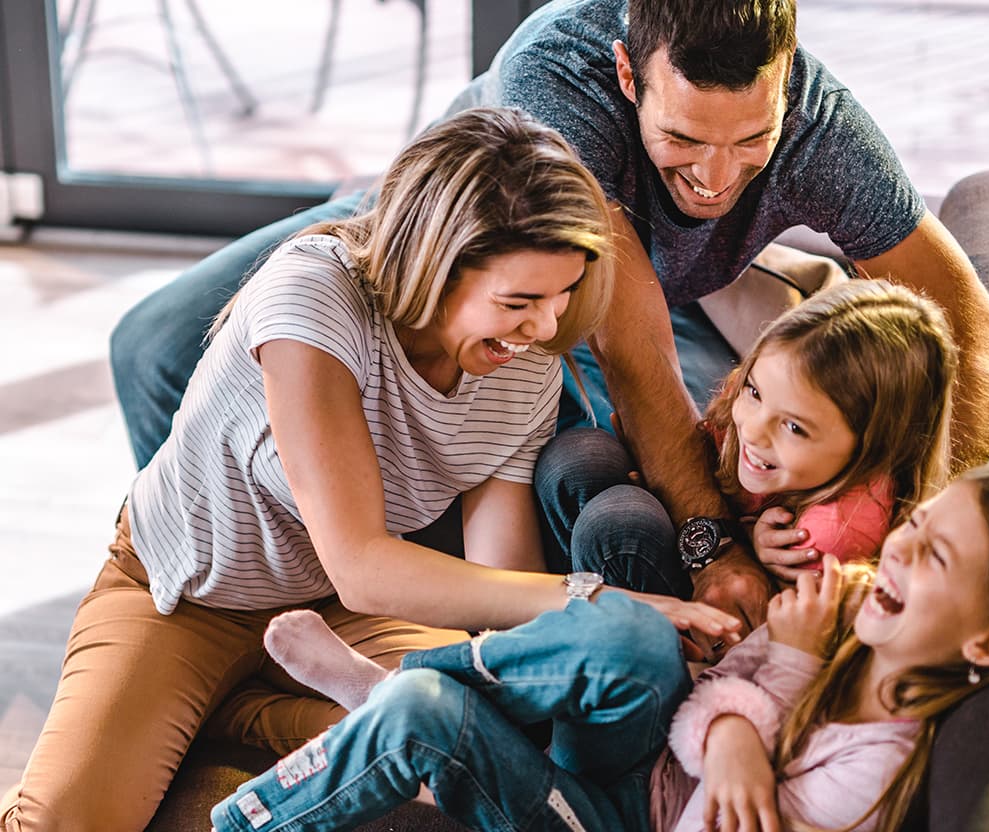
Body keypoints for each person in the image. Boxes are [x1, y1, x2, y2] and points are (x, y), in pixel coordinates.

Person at [108, 0, 989, 638]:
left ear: (788, 79)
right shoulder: (559, 76)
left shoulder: (824, 129)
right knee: (151, 348)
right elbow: (629, 351)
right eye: (681, 143)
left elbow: (987, 348)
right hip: (437, 236)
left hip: (617, 304)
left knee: (721, 443)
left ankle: (364, 595)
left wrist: (908, 525)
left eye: (751, 141)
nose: (715, 179)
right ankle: (241, 604)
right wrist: (712, 549)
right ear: (630, 75)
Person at [1, 107, 741, 832]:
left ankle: (243, 705)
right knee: (63, 821)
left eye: (564, 296)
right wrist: (607, 600)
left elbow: (497, 581)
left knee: (481, 738)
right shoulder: (314, 297)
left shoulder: (523, 362)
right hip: (190, 593)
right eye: (520, 302)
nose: (547, 329)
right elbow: (360, 561)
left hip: (342, 613)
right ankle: (231, 707)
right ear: (435, 266)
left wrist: (586, 639)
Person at [208, 461, 989, 832]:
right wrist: (741, 710)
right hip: (636, 769)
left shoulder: (880, 767)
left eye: (933, 553)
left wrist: (776, 676)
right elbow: (703, 710)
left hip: (626, 825)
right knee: (630, 633)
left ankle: (257, 811)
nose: (896, 544)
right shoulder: (855, 626)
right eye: (920, 521)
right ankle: (408, 675)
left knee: (423, 722)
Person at [543, 279, 957, 602]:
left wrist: (756, 553)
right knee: (578, 455)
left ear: (875, 447)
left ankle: (605, 656)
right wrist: (662, 474)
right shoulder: (751, 411)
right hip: (710, 541)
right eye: (755, 393)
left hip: (721, 634)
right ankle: (548, 599)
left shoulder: (833, 535)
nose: (754, 430)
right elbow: (709, 454)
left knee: (618, 525)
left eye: (794, 427)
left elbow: (773, 632)